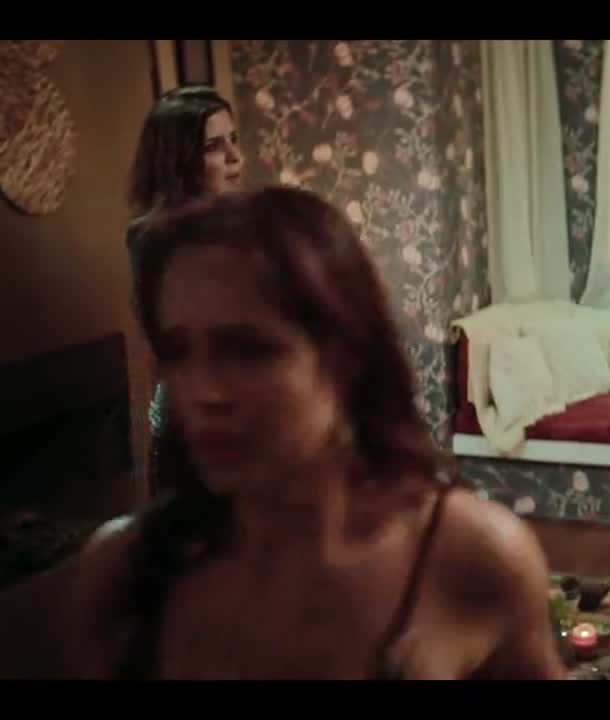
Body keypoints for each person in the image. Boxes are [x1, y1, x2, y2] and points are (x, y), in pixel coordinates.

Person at [0, 187, 566, 679]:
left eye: (248, 350)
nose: (204, 391)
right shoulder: (126, 572)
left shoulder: (472, 557)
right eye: (177, 352)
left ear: (345, 356)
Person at [125, 85, 245, 498]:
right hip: (192, 420)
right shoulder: (156, 237)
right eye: (213, 146)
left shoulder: (238, 224)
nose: (234, 157)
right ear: (179, 160)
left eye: (234, 139)